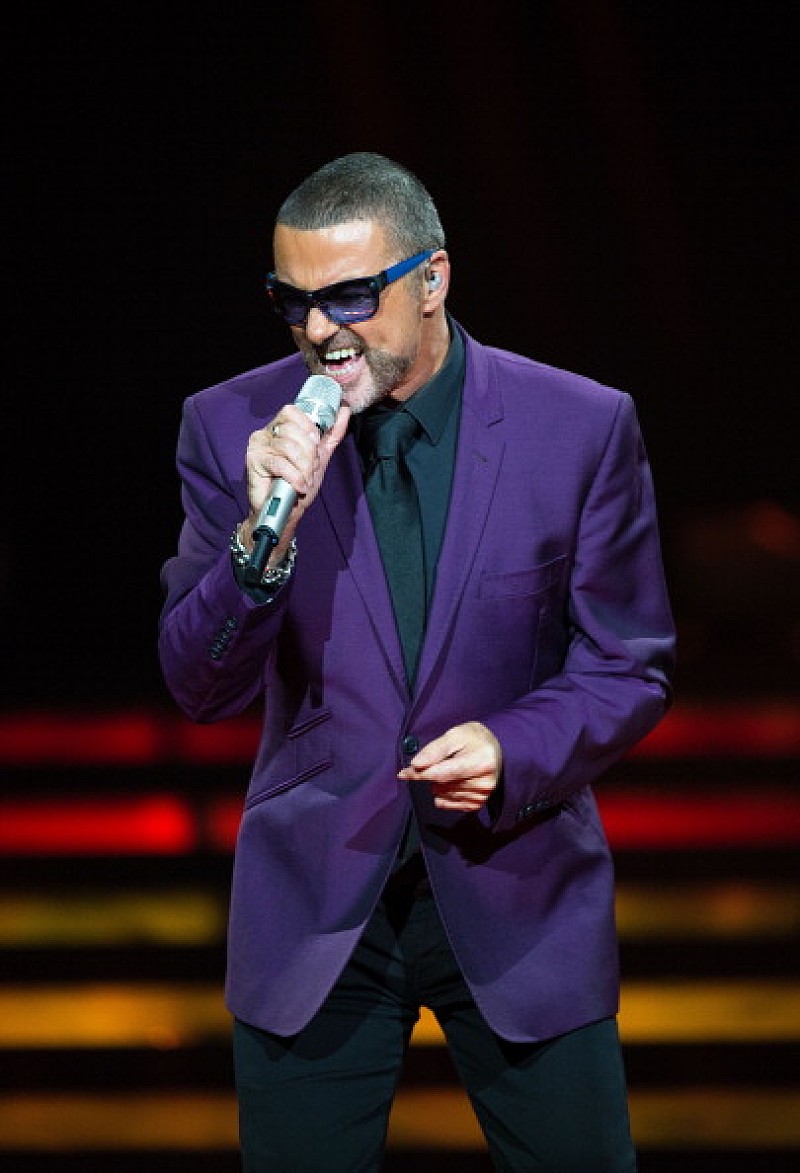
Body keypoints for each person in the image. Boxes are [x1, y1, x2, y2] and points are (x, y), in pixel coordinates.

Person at [159, 152, 675, 1172]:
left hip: (516, 885)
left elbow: (630, 664)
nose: (319, 330)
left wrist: (514, 746)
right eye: (293, 301)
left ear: (431, 278)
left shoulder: (578, 426)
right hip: (314, 905)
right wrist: (262, 543)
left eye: (351, 296)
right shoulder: (230, 427)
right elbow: (199, 685)